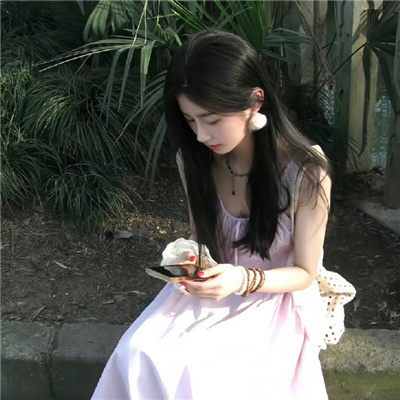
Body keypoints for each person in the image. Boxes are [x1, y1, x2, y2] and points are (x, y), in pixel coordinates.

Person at [92, 30, 336, 400]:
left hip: (271, 297)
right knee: (137, 353)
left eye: (211, 119)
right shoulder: (194, 161)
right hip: (212, 288)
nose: (201, 135)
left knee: (209, 379)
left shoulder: (306, 173)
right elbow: (200, 236)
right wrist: (190, 262)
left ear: (254, 101)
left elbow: (304, 274)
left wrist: (241, 279)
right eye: (190, 121)